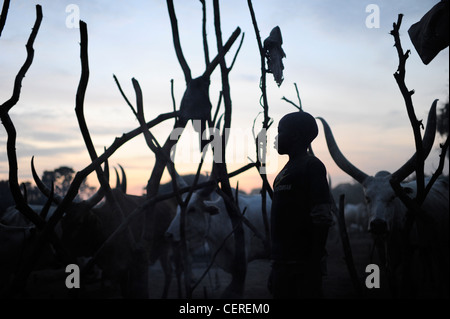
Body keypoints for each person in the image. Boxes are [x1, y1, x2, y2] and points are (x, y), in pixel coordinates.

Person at [268, 111, 333, 299]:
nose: (276, 137)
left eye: (280, 131)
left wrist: (313, 264)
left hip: (303, 266)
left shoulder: (312, 166)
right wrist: (275, 267)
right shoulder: (284, 173)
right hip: (282, 264)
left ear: (295, 136)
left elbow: (322, 218)